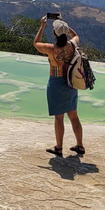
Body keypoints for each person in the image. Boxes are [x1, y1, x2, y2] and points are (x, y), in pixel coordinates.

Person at [33, 14, 85, 156]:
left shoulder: (51, 49)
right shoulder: (72, 45)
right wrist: (65, 25)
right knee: (74, 116)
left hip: (56, 83)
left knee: (59, 118)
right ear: (65, 32)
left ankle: (59, 147)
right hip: (70, 83)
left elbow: (36, 43)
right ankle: (80, 145)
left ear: (54, 34)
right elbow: (76, 36)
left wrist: (42, 26)